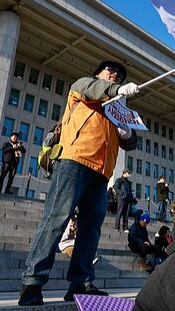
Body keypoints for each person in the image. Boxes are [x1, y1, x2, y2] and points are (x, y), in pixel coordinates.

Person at [19, 61, 139, 306]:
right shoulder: (83, 87)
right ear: (97, 74)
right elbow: (93, 89)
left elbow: (130, 141)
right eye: (110, 70)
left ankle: (80, 282)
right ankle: (33, 281)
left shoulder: (117, 107)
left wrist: (127, 132)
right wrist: (116, 90)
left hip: (102, 172)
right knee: (56, 219)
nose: (116, 74)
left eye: (120, 74)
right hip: (74, 160)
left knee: (91, 229)